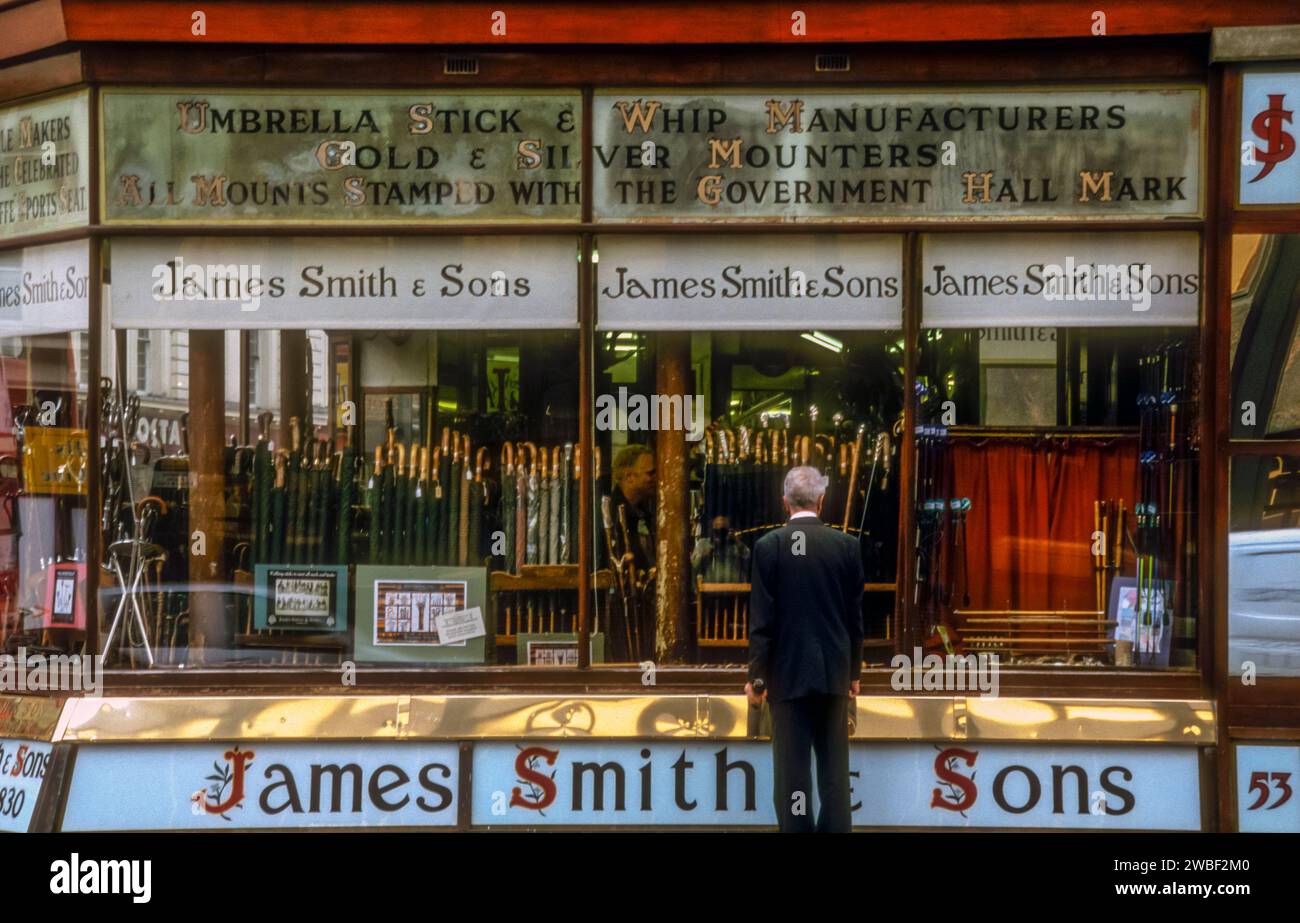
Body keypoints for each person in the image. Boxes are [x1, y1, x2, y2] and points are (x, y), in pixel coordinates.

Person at [746, 465, 865, 833]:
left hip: (787, 679)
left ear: (785, 502)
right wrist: (855, 674)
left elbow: (762, 623)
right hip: (834, 676)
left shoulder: (769, 547)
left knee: (793, 778)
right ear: (822, 500)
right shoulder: (847, 546)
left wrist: (757, 678)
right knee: (834, 776)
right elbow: (855, 620)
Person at [608, 443, 656, 570]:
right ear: (629, 477)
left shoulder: (643, 512)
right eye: (650, 473)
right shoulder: (612, 515)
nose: (656, 478)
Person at [691, 514, 750, 582]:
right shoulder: (703, 543)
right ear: (711, 529)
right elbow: (694, 566)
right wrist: (705, 554)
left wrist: (737, 541)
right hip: (709, 588)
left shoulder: (736, 544)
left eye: (722, 530)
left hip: (734, 588)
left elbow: (748, 559)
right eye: (716, 530)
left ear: (728, 530)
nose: (719, 533)